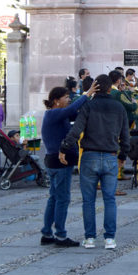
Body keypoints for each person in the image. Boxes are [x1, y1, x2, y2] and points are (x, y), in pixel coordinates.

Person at [59, 74, 130, 250]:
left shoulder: (88, 106)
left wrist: (64, 147)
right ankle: (110, 238)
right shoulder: (119, 107)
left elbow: (76, 130)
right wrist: (123, 156)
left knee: (88, 200)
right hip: (110, 155)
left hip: (89, 156)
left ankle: (90, 238)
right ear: (109, 89)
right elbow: (125, 135)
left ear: (95, 88)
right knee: (109, 199)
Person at [41, 81, 97, 247]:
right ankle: (60, 235)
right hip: (59, 163)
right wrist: (87, 93)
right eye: (66, 97)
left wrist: (90, 99)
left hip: (53, 161)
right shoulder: (53, 113)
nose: (69, 99)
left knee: (54, 197)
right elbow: (72, 109)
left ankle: (46, 232)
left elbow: (76, 113)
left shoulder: (57, 114)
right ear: (57, 100)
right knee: (62, 199)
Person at [109, 70, 137, 186]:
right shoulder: (117, 93)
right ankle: (115, 179)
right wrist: (133, 101)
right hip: (118, 124)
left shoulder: (108, 91)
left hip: (108, 125)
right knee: (118, 151)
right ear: (118, 80)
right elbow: (131, 106)